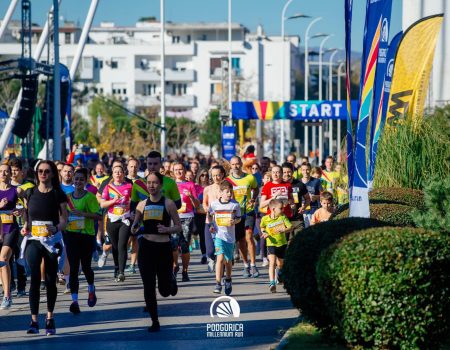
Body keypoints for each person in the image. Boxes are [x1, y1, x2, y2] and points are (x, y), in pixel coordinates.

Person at [22, 160, 68, 335]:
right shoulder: (30, 192)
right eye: (40, 171)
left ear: (52, 174)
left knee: (50, 280)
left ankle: (49, 318)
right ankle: (33, 321)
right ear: (36, 174)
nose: (43, 174)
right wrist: (25, 225)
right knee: (34, 278)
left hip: (52, 241)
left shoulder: (58, 194)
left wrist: (56, 228)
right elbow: (27, 215)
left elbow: (64, 220)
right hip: (34, 240)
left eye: (47, 171)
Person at [131, 171, 180, 332]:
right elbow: (135, 226)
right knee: (148, 286)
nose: (151, 185)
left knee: (165, 292)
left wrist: (167, 228)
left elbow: (178, 227)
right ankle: (155, 320)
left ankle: (170, 279)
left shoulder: (169, 203)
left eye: (154, 183)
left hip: (163, 248)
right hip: (146, 248)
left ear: (160, 185)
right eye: (148, 183)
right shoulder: (141, 204)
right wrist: (134, 227)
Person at [64, 168, 101, 315]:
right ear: (73, 180)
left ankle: (91, 288)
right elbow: (64, 214)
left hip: (86, 235)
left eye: (81, 179)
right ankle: (75, 302)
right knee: (73, 268)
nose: (78, 181)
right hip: (71, 235)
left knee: (86, 268)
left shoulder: (90, 197)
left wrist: (83, 214)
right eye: (76, 179)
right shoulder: (67, 197)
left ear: (86, 181)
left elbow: (98, 216)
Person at [226, 156, 259, 278]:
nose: (236, 166)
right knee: (240, 240)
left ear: (241, 164)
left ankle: (253, 265)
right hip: (236, 213)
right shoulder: (228, 181)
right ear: (230, 165)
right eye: (233, 164)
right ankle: (246, 265)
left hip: (248, 211)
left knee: (249, 237)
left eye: (238, 164)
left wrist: (253, 199)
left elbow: (256, 189)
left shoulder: (250, 178)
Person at [100, 164, 133, 282]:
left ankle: (121, 272)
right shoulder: (108, 187)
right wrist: (113, 201)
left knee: (122, 245)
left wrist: (131, 208)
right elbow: (102, 204)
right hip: (112, 220)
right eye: (115, 172)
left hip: (125, 219)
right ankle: (116, 267)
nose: (118, 174)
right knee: (114, 246)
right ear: (112, 175)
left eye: (120, 172)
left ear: (123, 174)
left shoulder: (129, 186)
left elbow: (134, 201)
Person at [208, 181, 241, 295]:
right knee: (220, 259)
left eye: (231, 191)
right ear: (220, 192)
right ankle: (217, 283)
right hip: (219, 236)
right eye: (227, 192)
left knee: (228, 261)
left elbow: (239, 218)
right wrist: (211, 226)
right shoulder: (214, 204)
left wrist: (234, 221)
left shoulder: (235, 204)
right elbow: (210, 214)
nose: (229, 194)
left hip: (230, 237)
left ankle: (228, 279)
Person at [9, 158, 34, 298]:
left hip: (22, 225)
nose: (13, 173)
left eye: (16, 170)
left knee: (20, 256)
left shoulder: (29, 186)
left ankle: (21, 286)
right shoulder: (4, 186)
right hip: (6, 225)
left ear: (22, 172)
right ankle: (9, 283)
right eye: (11, 170)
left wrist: (25, 216)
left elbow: (31, 206)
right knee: (7, 256)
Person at [0, 163, 23, 309]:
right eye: (0, 171)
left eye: (6, 171)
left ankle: (7, 296)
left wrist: (20, 212)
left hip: (11, 228)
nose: (3, 174)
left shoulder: (17, 190)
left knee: (3, 258)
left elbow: (24, 207)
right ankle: (6, 289)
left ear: (10, 174)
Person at [172, 162, 199, 282]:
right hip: (173, 218)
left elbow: (197, 205)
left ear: (184, 171)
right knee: (173, 246)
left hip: (187, 217)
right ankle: (175, 266)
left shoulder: (190, 184)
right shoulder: (170, 185)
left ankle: (185, 271)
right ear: (173, 172)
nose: (178, 172)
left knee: (184, 246)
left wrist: (191, 197)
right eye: (176, 170)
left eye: (180, 169)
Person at [260, 199, 292, 293]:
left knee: (280, 264)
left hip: (282, 243)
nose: (282, 210)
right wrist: (264, 232)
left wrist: (283, 230)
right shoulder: (265, 219)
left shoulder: (283, 217)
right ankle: (272, 283)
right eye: (281, 209)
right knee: (272, 263)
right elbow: (262, 227)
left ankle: (280, 274)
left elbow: (290, 227)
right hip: (271, 243)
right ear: (273, 209)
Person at [203, 165, 226, 273]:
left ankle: (222, 271)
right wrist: (206, 208)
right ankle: (211, 259)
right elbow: (204, 203)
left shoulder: (227, 188)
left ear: (222, 175)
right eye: (214, 175)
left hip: (223, 223)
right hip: (210, 222)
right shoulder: (207, 189)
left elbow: (233, 202)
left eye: (218, 175)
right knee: (211, 251)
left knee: (222, 251)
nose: (216, 177)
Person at [281, 162, 310, 243]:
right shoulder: (279, 185)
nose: (287, 174)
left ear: (293, 171)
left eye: (289, 172)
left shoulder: (300, 184)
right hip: (283, 219)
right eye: (284, 172)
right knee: (285, 245)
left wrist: (304, 207)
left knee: (299, 242)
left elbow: (308, 199)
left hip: (298, 219)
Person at [194, 168, 209, 264]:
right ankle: (204, 254)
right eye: (202, 175)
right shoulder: (195, 187)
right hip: (198, 214)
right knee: (202, 235)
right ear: (199, 176)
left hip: (209, 214)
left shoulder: (211, 187)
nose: (204, 177)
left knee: (210, 235)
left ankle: (211, 254)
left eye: (206, 175)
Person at [300, 163, 323, 228]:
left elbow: (323, 195)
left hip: (313, 209)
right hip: (301, 211)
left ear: (310, 170)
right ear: (301, 171)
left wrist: (316, 197)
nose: (305, 172)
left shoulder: (316, 181)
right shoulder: (298, 182)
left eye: (307, 170)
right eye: (303, 170)